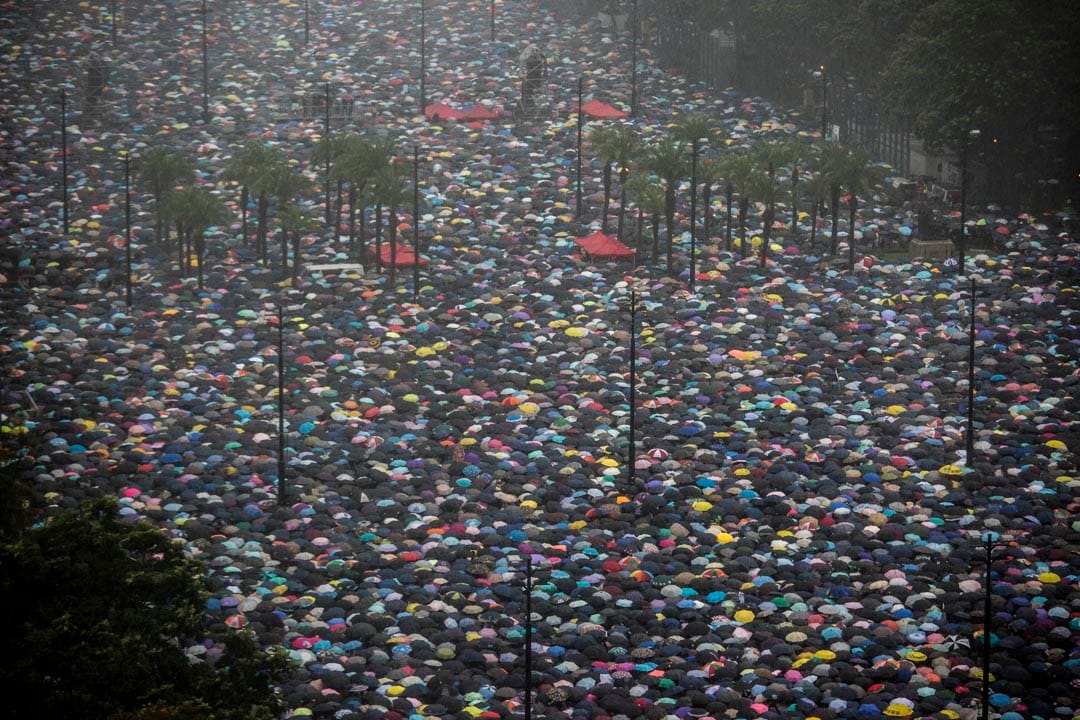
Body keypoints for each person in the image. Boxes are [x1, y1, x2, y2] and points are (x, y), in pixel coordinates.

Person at [519, 43, 547, 111]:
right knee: (527, 89)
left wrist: (544, 76)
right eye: (533, 50)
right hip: (530, 77)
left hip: (538, 76)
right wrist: (522, 73)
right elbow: (522, 65)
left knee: (537, 89)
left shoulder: (541, 57)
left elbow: (545, 67)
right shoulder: (526, 57)